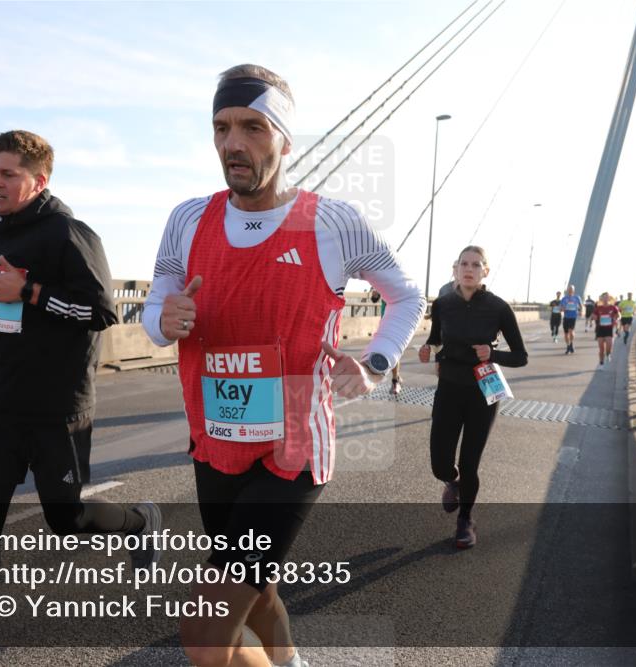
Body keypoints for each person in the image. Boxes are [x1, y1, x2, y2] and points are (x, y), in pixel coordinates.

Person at [143, 64, 425, 667]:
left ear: (285, 140)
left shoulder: (333, 222)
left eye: (251, 127)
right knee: (257, 588)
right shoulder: (189, 219)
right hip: (216, 444)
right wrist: (162, 320)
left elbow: (406, 296)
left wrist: (375, 361)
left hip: (291, 452)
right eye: (220, 128)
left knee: (204, 630)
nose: (232, 144)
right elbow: (156, 302)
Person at [0, 131, 160, 667]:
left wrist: (31, 292)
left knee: (66, 519)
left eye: (8, 174)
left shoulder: (70, 234)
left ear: (39, 181)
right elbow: (10, 314)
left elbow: (101, 313)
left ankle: (138, 520)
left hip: (56, 408)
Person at [418, 246, 528, 549]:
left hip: (483, 392)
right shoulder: (442, 305)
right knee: (440, 464)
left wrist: (493, 353)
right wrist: (428, 347)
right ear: (455, 269)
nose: (469, 269)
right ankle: (450, 481)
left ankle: (465, 519)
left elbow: (520, 357)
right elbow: (437, 337)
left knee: (470, 463)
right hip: (449, 389)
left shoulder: (498, 308)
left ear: (485, 272)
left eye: (476, 264)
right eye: (464, 264)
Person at [371, 289, 403, 394]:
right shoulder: (383, 283)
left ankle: (395, 380)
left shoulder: (401, 286)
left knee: (394, 352)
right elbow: (374, 300)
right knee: (382, 351)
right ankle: (396, 376)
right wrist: (375, 294)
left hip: (397, 323)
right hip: (385, 323)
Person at [592, 291, 620, 368]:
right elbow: (593, 316)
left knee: (609, 346)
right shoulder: (598, 308)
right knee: (601, 349)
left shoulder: (613, 307)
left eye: (607, 297)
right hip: (600, 329)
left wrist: (616, 319)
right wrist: (594, 317)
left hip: (609, 329)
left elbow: (618, 315)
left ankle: (608, 354)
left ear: (609, 298)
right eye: (604, 297)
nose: (605, 298)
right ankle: (601, 362)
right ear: (601, 298)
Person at [559, 285, 583, 354]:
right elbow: (560, 308)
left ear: (573, 290)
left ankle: (571, 343)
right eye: (569, 289)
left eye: (571, 289)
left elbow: (581, 306)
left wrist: (581, 311)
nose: (570, 290)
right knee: (566, 334)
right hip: (566, 317)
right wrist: (562, 309)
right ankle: (568, 346)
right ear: (567, 290)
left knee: (571, 331)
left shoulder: (577, 298)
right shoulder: (564, 298)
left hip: (573, 317)